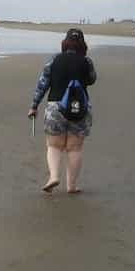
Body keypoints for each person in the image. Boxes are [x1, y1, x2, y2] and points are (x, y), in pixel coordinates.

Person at [27, 28, 97, 194]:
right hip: (80, 108)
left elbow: (42, 84)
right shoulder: (87, 62)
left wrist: (34, 105)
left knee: (54, 146)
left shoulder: (54, 60)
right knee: (75, 148)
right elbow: (92, 79)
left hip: (55, 107)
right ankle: (71, 186)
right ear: (82, 44)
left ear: (65, 43)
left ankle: (53, 176)